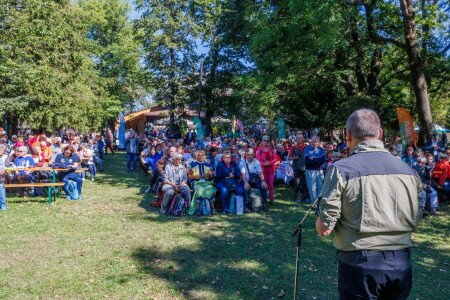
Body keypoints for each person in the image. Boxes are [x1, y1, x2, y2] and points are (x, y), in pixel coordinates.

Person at [316, 109, 422, 299]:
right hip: (400, 263)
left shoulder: (341, 170)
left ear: (348, 135)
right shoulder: (409, 171)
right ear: (380, 134)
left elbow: (324, 228)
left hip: (359, 263)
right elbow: (416, 221)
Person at [256, 135, 277, 204]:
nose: (266, 142)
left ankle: (272, 199)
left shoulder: (271, 149)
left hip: (270, 169)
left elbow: (275, 158)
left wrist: (270, 163)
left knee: (271, 185)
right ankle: (263, 199)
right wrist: (265, 164)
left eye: (267, 140)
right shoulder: (259, 150)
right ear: (262, 141)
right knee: (263, 184)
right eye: (264, 140)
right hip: (262, 170)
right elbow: (258, 161)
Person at [304, 136, 325, 204]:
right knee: (312, 188)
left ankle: (320, 203)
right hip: (310, 170)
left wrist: (313, 159)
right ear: (310, 142)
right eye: (313, 141)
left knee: (320, 187)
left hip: (320, 170)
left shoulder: (321, 150)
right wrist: (317, 160)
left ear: (318, 142)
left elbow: (322, 161)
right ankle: (314, 204)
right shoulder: (307, 149)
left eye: (316, 142)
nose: (315, 143)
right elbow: (307, 161)